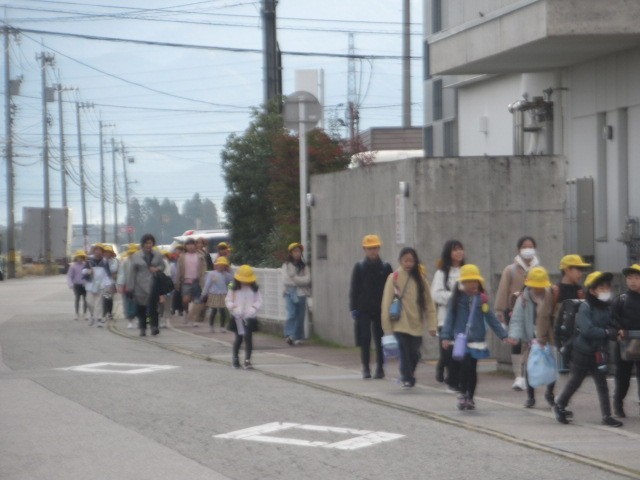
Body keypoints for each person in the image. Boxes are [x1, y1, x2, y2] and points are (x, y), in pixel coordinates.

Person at [553, 271, 623, 427]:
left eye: (607, 287)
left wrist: (616, 331)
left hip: (600, 351)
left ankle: (607, 416)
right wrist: (607, 332)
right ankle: (560, 404)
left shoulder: (607, 307)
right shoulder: (586, 307)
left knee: (602, 384)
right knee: (576, 381)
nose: (605, 291)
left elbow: (612, 324)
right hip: (583, 351)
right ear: (592, 290)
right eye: (601, 288)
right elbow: (587, 330)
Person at [441, 264, 509, 410]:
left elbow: (491, 318)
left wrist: (503, 335)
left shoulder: (481, 300)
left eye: (475, 281)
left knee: (472, 369)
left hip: (476, 340)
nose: (472, 284)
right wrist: (445, 336)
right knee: (464, 366)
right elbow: (449, 318)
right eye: (468, 281)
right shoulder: (456, 299)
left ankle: (470, 397)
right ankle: (462, 394)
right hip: (461, 339)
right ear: (462, 282)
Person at [381, 247, 437, 388]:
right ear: (400, 261)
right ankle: (406, 376)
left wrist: (432, 325)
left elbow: (429, 304)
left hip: (416, 323)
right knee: (404, 351)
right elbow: (386, 302)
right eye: (405, 260)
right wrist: (387, 327)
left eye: (411, 261)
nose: (408, 263)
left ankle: (409, 373)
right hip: (399, 322)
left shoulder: (421, 279)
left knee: (414, 353)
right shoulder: (394, 277)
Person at [494, 236, 540, 391]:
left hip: (533, 312)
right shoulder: (511, 270)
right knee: (516, 341)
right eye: (524, 247)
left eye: (530, 246)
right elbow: (502, 290)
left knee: (530, 343)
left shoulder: (538, 270)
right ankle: (518, 376)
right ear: (519, 249)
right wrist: (500, 310)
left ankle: (526, 373)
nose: (528, 250)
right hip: (513, 311)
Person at [508, 266, 556, 409]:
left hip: (547, 336)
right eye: (535, 286)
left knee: (551, 366)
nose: (538, 289)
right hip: (531, 337)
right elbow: (517, 319)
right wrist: (514, 336)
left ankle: (550, 393)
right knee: (530, 366)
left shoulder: (550, 295)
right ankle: (531, 396)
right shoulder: (523, 298)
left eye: (541, 286)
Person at [349, 234, 393, 379]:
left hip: (381, 308)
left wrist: (392, 306)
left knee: (380, 339)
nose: (372, 251)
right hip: (364, 308)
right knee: (365, 338)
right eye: (369, 248)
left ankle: (380, 367)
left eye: (375, 248)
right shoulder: (359, 267)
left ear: (379, 248)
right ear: (364, 249)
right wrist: (353, 308)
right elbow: (354, 288)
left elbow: (392, 287)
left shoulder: (386, 267)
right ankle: (366, 367)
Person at [431, 239, 465, 391]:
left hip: (463, 318)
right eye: (455, 249)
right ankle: (450, 378)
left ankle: (457, 380)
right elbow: (436, 295)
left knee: (460, 351)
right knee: (448, 351)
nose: (459, 252)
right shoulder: (441, 273)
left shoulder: (467, 271)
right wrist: (455, 297)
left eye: (460, 249)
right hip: (445, 318)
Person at [553, 254, 590, 372]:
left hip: (576, 333)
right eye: (578, 269)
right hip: (560, 334)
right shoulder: (556, 290)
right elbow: (549, 313)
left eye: (582, 270)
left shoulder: (580, 290)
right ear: (567, 270)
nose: (580, 273)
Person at [612, 264, 640, 418]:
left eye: (636, 278)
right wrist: (618, 330)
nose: (633, 281)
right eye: (629, 278)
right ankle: (618, 404)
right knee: (623, 377)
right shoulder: (621, 299)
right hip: (625, 344)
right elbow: (612, 319)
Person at [126, 234, 165, 336]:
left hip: (153, 283)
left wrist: (157, 269)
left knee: (153, 306)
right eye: (146, 243)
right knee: (141, 308)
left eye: (150, 243)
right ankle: (143, 327)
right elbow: (132, 273)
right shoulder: (136, 256)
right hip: (139, 285)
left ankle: (154, 326)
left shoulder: (157, 255)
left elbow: (162, 266)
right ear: (143, 244)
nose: (148, 245)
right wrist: (130, 288)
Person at [226, 265, 262, 370]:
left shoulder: (254, 289)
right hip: (238, 317)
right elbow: (228, 300)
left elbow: (259, 300)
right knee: (239, 338)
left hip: (249, 317)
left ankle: (247, 360)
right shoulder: (233, 288)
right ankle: (235, 359)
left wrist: (253, 309)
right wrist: (233, 308)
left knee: (248, 338)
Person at [282, 242, 311, 345]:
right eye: (295, 251)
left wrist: (294, 278)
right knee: (291, 313)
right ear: (291, 253)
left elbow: (307, 280)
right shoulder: (286, 265)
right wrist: (299, 280)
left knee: (300, 316)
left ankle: (298, 337)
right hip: (290, 293)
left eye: (299, 251)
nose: (297, 253)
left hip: (302, 293)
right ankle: (289, 335)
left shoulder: (304, 266)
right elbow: (286, 280)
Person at [176, 238, 206, 326]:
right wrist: (177, 282)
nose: (190, 246)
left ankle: (195, 319)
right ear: (185, 246)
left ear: (195, 245)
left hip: (197, 281)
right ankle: (186, 312)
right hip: (186, 281)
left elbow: (204, 268)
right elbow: (178, 270)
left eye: (192, 244)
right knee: (185, 300)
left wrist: (203, 279)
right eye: (188, 245)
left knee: (197, 301)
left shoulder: (200, 256)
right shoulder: (182, 257)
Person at [202, 256, 233, 333]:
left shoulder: (227, 275)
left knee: (222, 311)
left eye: (223, 265)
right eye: (220, 265)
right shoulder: (212, 274)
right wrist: (204, 293)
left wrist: (229, 290)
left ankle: (222, 327)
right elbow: (207, 285)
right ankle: (211, 326)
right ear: (216, 265)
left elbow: (231, 282)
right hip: (213, 294)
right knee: (214, 311)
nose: (221, 266)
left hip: (223, 294)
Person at [83, 244, 111, 327]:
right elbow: (83, 271)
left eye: (99, 250)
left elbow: (107, 274)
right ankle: (92, 315)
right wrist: (88, 271)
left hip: (100, 285)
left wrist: (107, 284)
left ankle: (98, 319)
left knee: (99, 303)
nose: (97, 252)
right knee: (89, 302)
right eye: (96, 250)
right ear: (94, 251)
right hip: (90, 284)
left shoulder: (105, 262)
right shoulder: (89, 261)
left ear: (102, 252)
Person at [117, 243, 139, 329]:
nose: (132, 255)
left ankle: (138, 319)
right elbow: (121, 274)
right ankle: (130, 320)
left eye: (134, 253)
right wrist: (120, 285)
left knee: (138, 304)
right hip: (127, 286)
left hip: (139, 286)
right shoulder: (125, 262)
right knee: (128, 304)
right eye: (131, 253)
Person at [67, 250, 88, 321]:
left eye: (81, 257)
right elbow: (69, 276)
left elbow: (88, 275)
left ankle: (85, 313)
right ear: (76, 258)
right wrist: (70, 284)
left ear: (83, 258)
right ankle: (77, 313)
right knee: (77, 299)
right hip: (76, 285)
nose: (80, 259)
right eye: (78, 257)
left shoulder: (86, 265)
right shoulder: (73, 266)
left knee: (86, 300)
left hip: (85, 285)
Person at [101, 244, 119, 322]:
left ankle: (109, 313)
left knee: (109, 299)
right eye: (105, 252)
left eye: (108, 252)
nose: (107, 253)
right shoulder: (101, 261)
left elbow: (114, 269)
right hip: (103, 283)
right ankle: (105, 314)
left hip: (111, 282)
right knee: (105, 298)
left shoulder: (114, 261)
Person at [170, 245, 184, 317]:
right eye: (177, 251)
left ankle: (180, 310)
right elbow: (172, 273)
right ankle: (174, 308)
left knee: (180, 295)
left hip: (182, 281)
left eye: (180, 251)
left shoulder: (183, 260)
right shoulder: (173, 263)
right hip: (175, 281)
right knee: (175, 295)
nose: (178, 253)